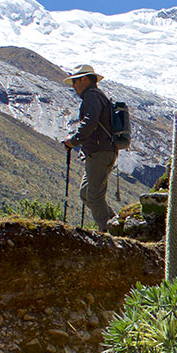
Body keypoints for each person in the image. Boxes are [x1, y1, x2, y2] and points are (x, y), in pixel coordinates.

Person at [61, 63, 118, 231]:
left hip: (100, 152)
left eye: (75, 82)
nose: (74, 87)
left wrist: (74, 140)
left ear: (84, 80)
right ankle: (116, 224)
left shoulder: (92, 96)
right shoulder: (97, 96)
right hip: (99, 152)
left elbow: (90, 122)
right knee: (86, 193)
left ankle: (108, 233)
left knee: (93, 196)